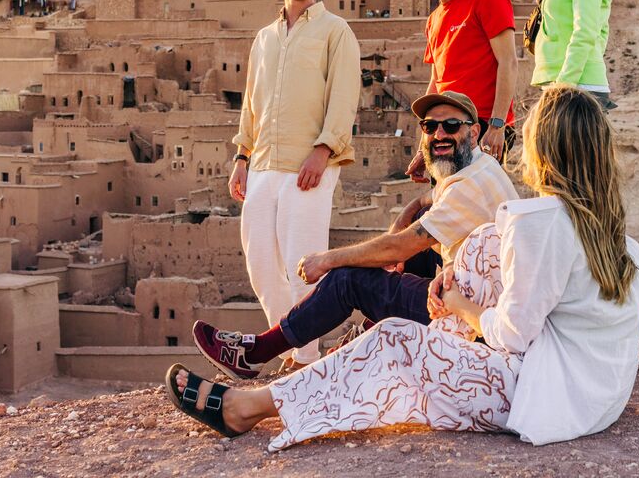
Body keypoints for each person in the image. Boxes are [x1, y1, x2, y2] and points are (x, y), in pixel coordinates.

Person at [166, 85, 639, 450]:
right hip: (600, 400)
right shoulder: (621, 240)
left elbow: (512, 338)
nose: (438, 135)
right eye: (431, 127)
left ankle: (245, 407)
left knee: (395, 337)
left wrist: (457, 303)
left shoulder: (538, 223)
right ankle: (321, 362)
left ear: (543, 151)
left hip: (545, 399)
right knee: (479, 247)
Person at [196, 90, 518, 378]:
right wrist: (405, 223)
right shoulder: (479, 167)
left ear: (474, 132)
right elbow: (422, 208)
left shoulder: (468, 186)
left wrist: (328, 260)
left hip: (468, 320)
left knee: (348, 280)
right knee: (418, 224)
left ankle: (256, 353)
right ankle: (369, 331)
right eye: (429, 127)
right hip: (475, 298)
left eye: (451, 126)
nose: (438, 134)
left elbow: (399, 248)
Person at [227, 0, 361, 370]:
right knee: (262, 265)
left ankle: (308, 359)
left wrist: (323, 150)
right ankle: (294, 349)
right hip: (264, 162)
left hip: (311, 164)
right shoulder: (264, 39)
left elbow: (344, 95)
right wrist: (241, 157)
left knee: (303, 263)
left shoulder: (335, 31)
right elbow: (252, 101)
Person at [405, 0, 518, 177]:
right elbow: (437, 83)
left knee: (475, 208)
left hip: (483, 127)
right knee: (448, 208)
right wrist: (424, 146)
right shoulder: (433, 20)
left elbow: (508, 62)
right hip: (445, 131)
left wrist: (498, 125)